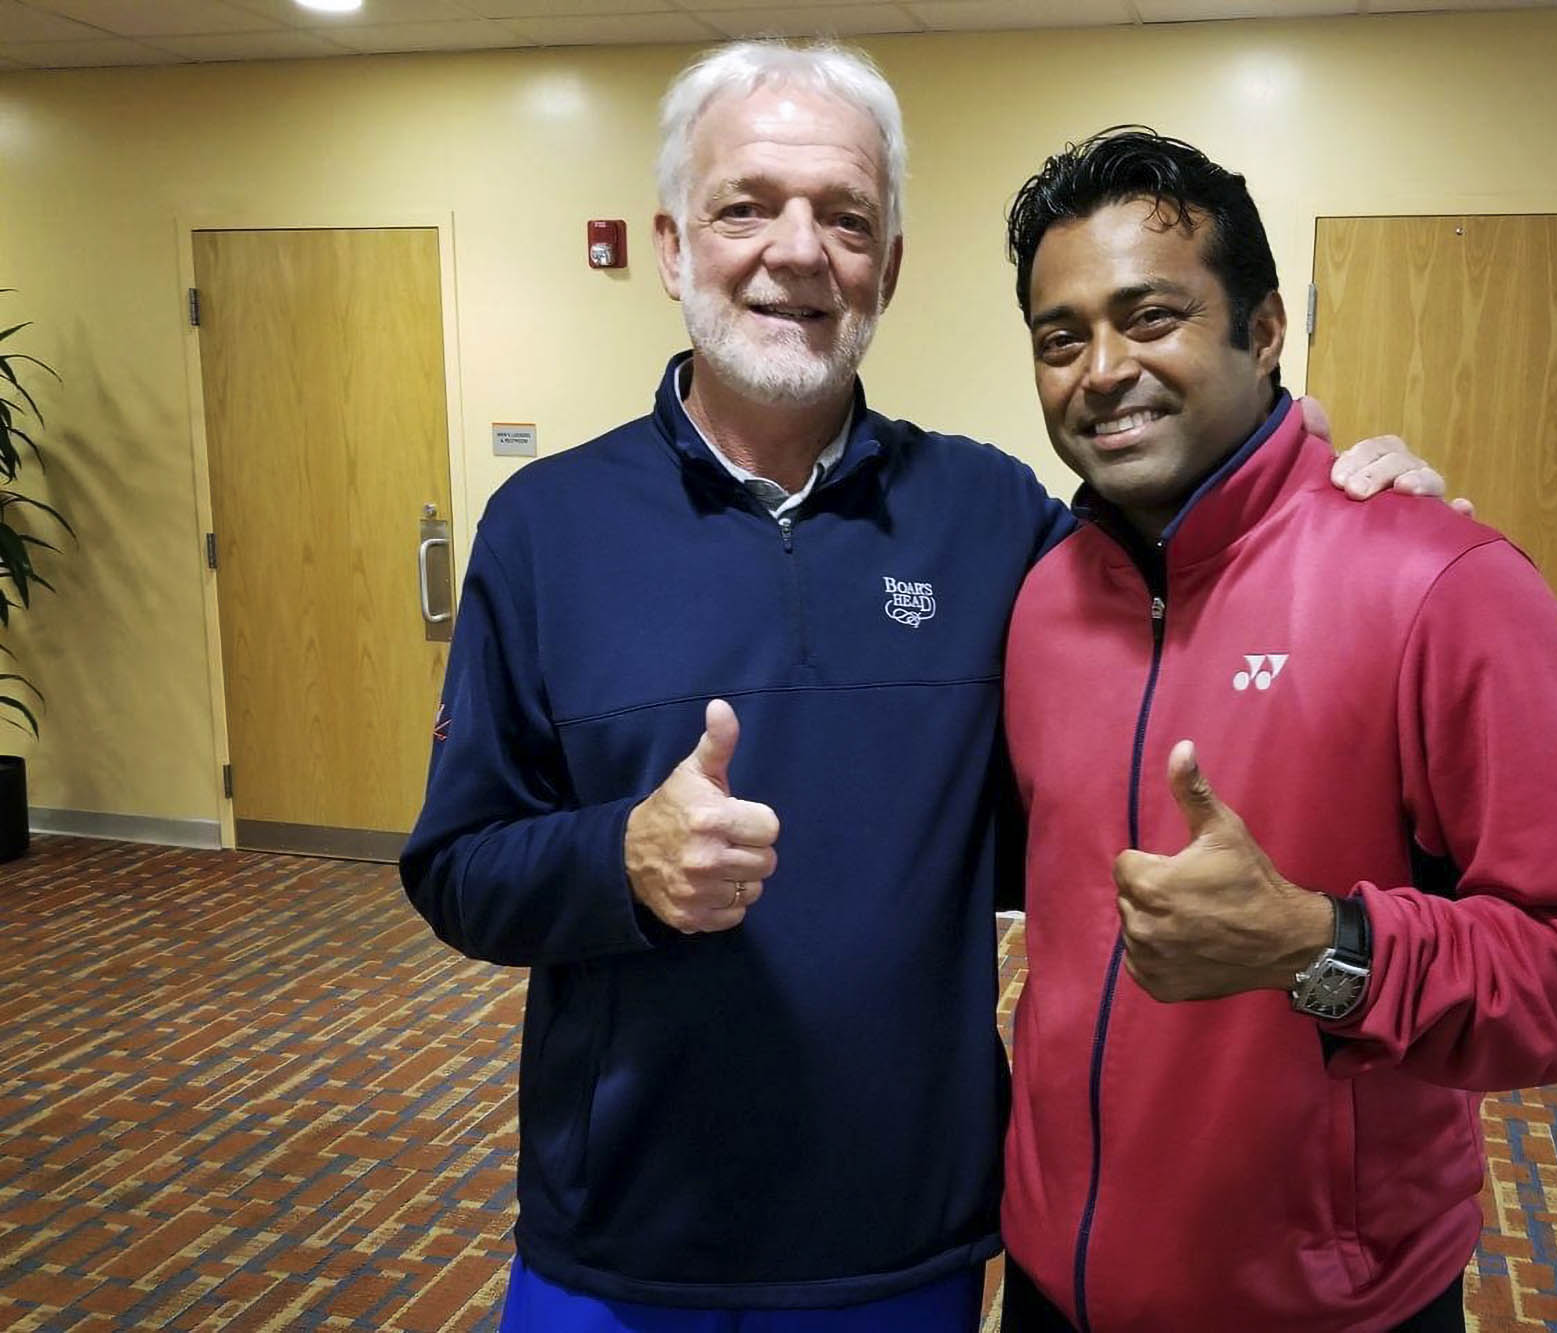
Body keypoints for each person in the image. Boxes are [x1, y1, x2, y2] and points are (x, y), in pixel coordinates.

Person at [401, 42, 1448, 1332]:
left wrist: (1325, 491)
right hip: (619, 1239)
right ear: (672, 246)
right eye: (746, 206)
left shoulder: (990, 515)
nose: (797, 251)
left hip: (905, 1243)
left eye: (845, 218)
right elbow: (455, 865)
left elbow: (1186, 576)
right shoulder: (545, 528)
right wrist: (618, 858)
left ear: (886, 268)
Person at [996, 128, 1557, 1333]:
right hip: (1055, 1282)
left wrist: (1324, 946)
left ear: (1263, 333)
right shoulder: (1041, 595)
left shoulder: (1435, 583)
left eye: (1149, 317)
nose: (1100, 369)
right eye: (1062, 337)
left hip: (1324, 1304)